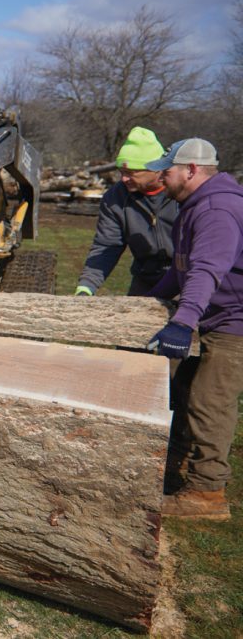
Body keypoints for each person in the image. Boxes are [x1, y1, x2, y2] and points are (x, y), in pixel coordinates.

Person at [144, 138, 243, 521]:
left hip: (233, 319)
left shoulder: (218, 209)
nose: (161, 177)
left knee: (209, 401)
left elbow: (207, 270)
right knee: (181, 389)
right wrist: (146, 302)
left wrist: (183, 321)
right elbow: (182, 268)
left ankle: (207, 494)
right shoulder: (192, 207)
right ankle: (176, 465)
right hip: (209, 311)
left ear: (190, 170)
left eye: (166, 170)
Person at [75, 127, 177, 296]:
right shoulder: (115, 197)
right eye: (121, 172)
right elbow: (107, 245)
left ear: (156, 169)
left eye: (131, 173)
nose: (124, 179)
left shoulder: (182, 193)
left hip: (186, 279)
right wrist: (86, 288)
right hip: (145, 280)